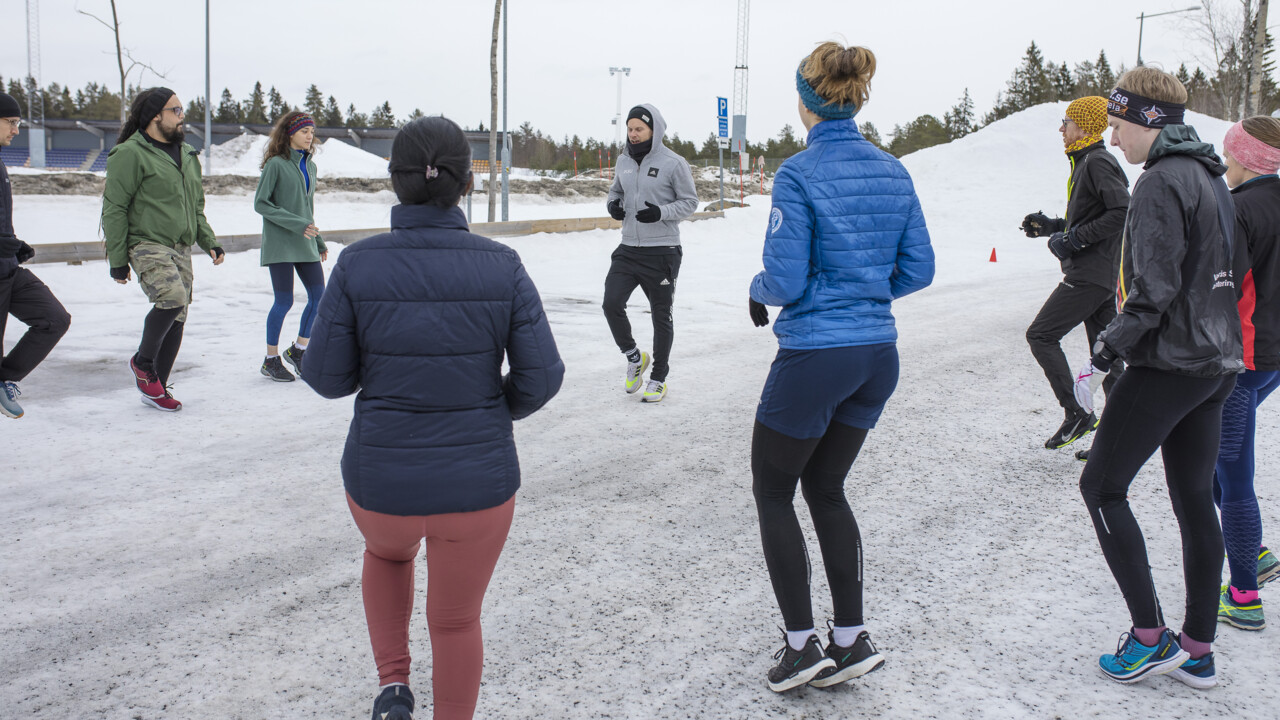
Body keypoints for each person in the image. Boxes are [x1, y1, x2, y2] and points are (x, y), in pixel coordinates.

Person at [301, 116, 563, 720]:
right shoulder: (504, 266)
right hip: (478, 487)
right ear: (466, 184)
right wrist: (492, 408)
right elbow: (542, 378)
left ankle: (394, 687)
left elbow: (326, 379)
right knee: (456, 620)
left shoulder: (357, 265)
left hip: (381, 482)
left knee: (388, 556)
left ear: (396, 183)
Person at [747, 42, 934, 692]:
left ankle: (802, 648)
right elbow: (919, 268)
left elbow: (786, 276)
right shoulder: (894, 170)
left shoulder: (798, 173)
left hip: (816, 357)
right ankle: (850, 639)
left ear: (806, 100)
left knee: (774, 491)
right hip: (877, 355)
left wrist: (758, 286)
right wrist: (862, 295)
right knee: (826, 488)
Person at [1074, 66, 1242, 689]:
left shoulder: (1160, 184)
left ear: (1147, 120)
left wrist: (1105, 350)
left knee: (1101, 487)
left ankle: (1149, 638)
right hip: (1216, 362)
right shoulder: (1208, 175)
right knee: (1195, 499)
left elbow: (1155, 289)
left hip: (1168, 362)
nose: (1113, 140)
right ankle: (1198, 648)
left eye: (1117, 125)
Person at [1020, 96, 1130, 455]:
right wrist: (1052, 227)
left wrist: (1072, 240)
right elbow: (1094, 217)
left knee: (1041, 334)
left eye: (1065, 122)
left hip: (1090, 275)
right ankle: (1118, 439)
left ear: (1082, 125)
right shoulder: (1085, 162)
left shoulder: (1097, 161)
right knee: (1107, 356)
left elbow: (1122, 212)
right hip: (1100, 276)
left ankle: (1077, 412)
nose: (1060, 129)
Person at [102, 87, 224, 412]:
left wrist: (209, 241)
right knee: (172, 299)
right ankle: (143, 364)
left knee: (179, 314)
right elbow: (114, 208)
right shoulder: (131, 154)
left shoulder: (187, 155)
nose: (182, 117)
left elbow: (196, 208)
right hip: (146, 243)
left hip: (180, 246)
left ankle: (157, 387)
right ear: (156, 115)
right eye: (177, 110)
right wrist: (117, 260)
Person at [1213, 115, 1280, 632]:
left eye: (1230, 154)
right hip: (1272, 362)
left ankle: (1244, 597)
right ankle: (1252, 553)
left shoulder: (1239, 209)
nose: (1224, 161)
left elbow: (1224, 289)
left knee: (1234, 475)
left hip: (1244, 359)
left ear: (1248, 159)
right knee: (1215, 453)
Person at [603, 103, 697, 403]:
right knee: (611, 303)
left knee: (661, 316)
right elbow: (616, 191)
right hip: (628, 248)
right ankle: (633, 356)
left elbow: (690, 202)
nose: (633, 134)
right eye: (630, 129)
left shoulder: (673, 163)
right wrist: (613, 204)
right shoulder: (624, 161)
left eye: (639, 129)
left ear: (654, 130)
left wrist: (660, 212)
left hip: (662, 252)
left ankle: (658, 377)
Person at [0, 91, 71, 419]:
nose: (16, 130)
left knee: (54, 319)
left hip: (8, 268)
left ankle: (4, 378)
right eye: (11, 122)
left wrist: (14, 243)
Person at [253, 111, 327, 382]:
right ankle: (271, 359)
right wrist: (297, 225)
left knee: (320, 297)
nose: (310, 136)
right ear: (290, 134)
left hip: (305, 240)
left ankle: (298, 350)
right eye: (305, 131)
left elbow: (307, 207)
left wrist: (317, 239)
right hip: (281, 242)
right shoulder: (276, 164)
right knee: (283, 301)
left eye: (312, 131)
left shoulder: (311, 166)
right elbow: (261, 203)